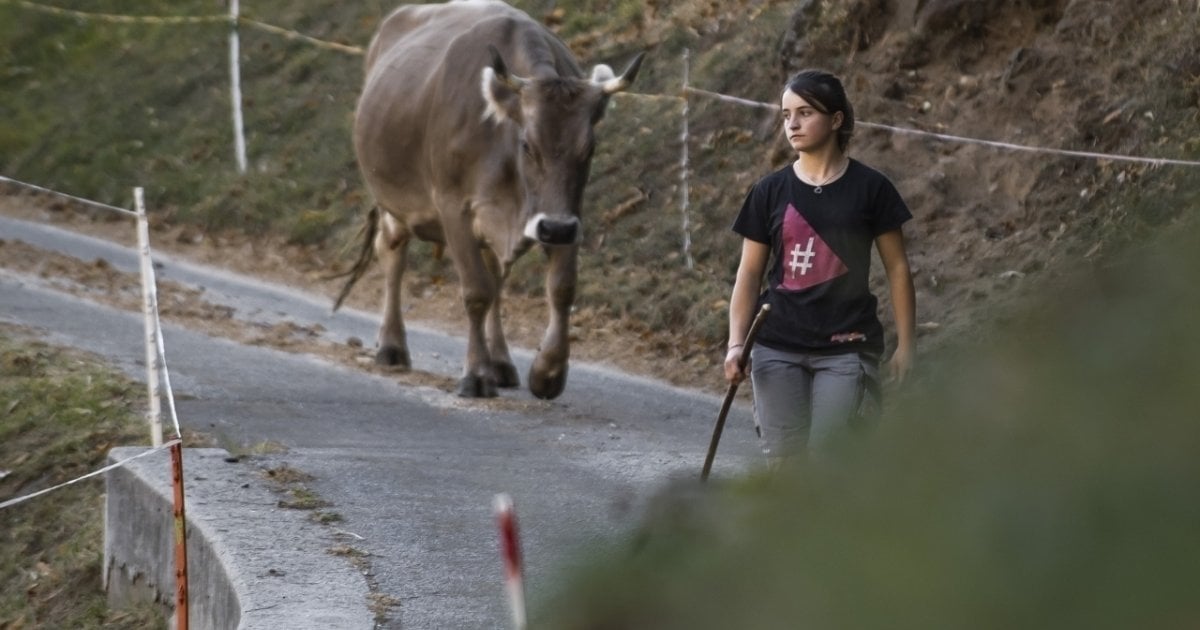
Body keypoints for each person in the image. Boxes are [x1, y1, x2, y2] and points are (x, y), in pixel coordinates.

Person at [724, 69, 916, 463]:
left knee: (833, 463)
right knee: (786, 466)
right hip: (776, 347)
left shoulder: (872, 188)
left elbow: (897, 268)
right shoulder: (769, 191)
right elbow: (748, 273)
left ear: (837, 119)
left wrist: (906, 345)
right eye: (785, 114)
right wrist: (736, 343)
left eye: (805, 112)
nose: (792, 124)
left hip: (847, 349)